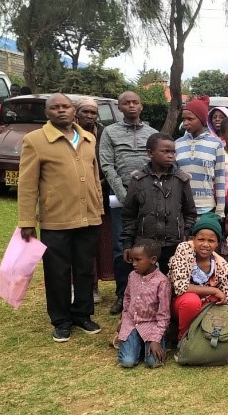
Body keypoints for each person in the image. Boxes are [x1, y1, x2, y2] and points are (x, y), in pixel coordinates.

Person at [18, 93, 104, 342]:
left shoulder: (88, 138)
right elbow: (27, 185)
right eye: (55, 108)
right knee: (57, 271)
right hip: (56, 219)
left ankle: (83, 314)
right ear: (47, 113)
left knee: (85, 270)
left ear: (73, 111)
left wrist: (98, 209)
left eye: (66, 106)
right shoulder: (35, 141)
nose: (61, 111)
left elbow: (95, 176)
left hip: (89, 217)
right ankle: (61, 320)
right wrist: (26, 221)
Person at [100, 91, 157, 315]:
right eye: (127, 103)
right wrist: (124, 196)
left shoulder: (152, 134)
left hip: (148, 200)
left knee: (147, 246)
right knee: (121, 248)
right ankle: (122, 294)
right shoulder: (110, 133)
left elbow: (156, 164)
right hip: (121, 200)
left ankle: (148, 294)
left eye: (135, 102)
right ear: (119, 107)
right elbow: (107, 165)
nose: (132, 106)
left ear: (141, 106)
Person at [121, 133, 197, 275]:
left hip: (174, 244)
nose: (171, 155)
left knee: (173, 281)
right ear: (150, 153)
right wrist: (127, 243)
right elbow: (129, 215)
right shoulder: (138, 180)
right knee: (145, 283)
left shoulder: (181, 180)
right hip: (145, 245)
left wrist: (185, 234)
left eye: (173, 152)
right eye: (165, 151)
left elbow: (190, 212)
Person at [168, 212, 228, 340]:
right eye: (201, 239)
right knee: (191, 301)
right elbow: (181, 287)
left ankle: (206, 335)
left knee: (219, 302)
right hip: (180, 305)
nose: (205, 244)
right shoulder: (184, 250)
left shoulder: (219, 264)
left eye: (211, 241)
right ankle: (184, 338)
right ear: (193, 239)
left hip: (203, 307)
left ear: (217, 244)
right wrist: (214, 290)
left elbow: (225, 294)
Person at [75, 97, 112, 302]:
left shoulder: (104, 132)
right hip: (76, 196)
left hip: (102, 195)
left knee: (99, 242)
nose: (89, 116)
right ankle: (80, 285)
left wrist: (102, 181)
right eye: (85, 112)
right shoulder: (70, 133)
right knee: (79, 243)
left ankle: (95, 286)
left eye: (93, 112)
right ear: (76, 113)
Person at [117, 239, 171, 368]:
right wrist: (124, 321)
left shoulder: (162, 282)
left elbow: (164, 315)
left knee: (154, 363)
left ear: (153, 260)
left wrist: (156, 339)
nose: (134, 264)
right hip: (132, 324)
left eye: (138, 260)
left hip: (151, 326)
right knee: (127, 362)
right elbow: (127, 299)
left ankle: (146, 344)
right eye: (132, 260)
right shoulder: (132, 276)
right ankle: (132, 343)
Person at [175, 96, 226, 221]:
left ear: (202, 119)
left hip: (206, 209)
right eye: (184, 119)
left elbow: (220, 179)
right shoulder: (177, 143)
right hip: (181, 208)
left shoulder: (216, 144)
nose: (185, 122)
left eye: (190, 119)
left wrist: (220, 210)